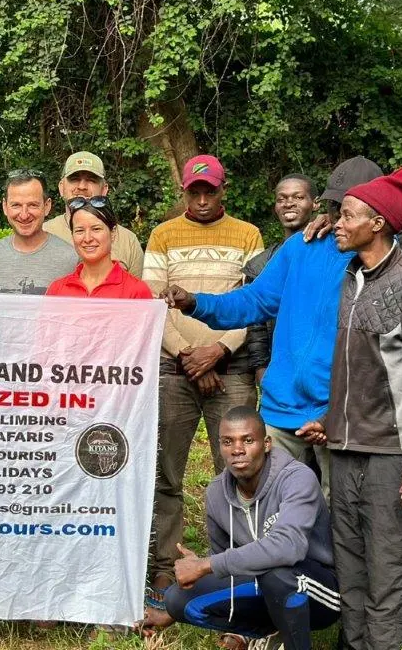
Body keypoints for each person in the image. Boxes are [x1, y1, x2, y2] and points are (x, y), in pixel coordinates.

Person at [165, 157, 386, 503]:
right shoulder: (302, 247)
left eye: (348, 211)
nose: (339, 218)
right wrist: (196, 302)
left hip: (340, 414)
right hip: (282, 410)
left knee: (339, 513)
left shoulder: (387, 266)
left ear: (376, 216)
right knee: (270, 507)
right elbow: (254, 300)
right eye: (335, 208)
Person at [319, 166, 402, 650]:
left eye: (347, 215)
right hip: (345, 450)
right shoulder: (352, 277)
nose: (337, 223)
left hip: (392, 457)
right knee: (350, 576)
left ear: (377, 223)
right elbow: (361, 372)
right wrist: (330, 424)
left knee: (387, 582)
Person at [142, 154, 263, 600]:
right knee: (165, 472)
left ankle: (234, 568)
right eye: (194, 191)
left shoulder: (248, 234)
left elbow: (255, 301)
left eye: (210, 190)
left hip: (230, 369)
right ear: (184, 192)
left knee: (237, 470)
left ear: (222, 189)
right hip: (175, 370)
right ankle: (165, 565)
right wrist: (190, 355)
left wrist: (218, 351)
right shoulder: (163, 235)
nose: (203, 198)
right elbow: (154, 302)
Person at [148, 407, 339, 650]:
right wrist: (174, 611)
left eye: (248, 440)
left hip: (318, 589)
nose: (237, 450)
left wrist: (205, 565)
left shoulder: (296, 478)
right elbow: (225, 567)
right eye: (228, 442)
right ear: (219, 446)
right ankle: (265, 633)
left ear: (266, 443)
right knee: (177, 600)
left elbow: (289, 546)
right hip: (265, 585)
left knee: (276, 572)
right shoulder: (216, 493)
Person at [243, 175, 317, 386]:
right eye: (281, 198)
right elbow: (255, 324)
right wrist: (260, 367)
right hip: (279, 365)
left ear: (315, 202)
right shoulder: (261, 264)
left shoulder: (333, 252)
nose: (289, 203)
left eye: (298, 197)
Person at [43, 151, 144, 277]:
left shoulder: (128, 240)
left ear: (104, 189)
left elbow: (139, 293)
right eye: (74, 179)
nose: (82, 186)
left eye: (91, 180)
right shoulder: (43, 233)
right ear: (61, 187)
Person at [0, 169, 78, 294]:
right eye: (16, 205)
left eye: (33, 205)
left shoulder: (71, 259)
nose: (24, 215)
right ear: (5, 207)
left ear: (47, 206)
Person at [45, 196, 151, 299]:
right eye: (80, 231)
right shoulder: (57, 290)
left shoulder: (136, 291)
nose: (87, 238)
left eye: (96, 229)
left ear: (113, 233)